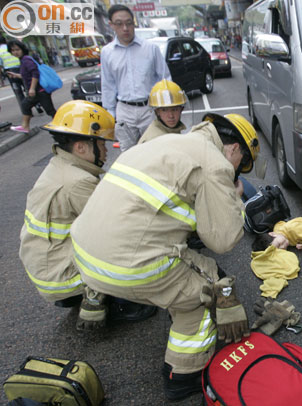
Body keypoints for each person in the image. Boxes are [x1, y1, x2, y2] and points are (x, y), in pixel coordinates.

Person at [70, 113, 260, 401]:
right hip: (126, 265)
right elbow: (223, 239)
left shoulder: (163, 143)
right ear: (234, 149)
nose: (236, 172)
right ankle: (183, 375)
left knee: (195, 266)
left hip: (84, 255)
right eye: (240, 165)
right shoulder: (215, 162)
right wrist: (234, 197)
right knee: (206, 291)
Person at [18, 100, 155, 330]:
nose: (104, 149)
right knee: (131, 245)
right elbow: (117, 228)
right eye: (100, 143)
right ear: (81, 147)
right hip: (60, 278)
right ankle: (117, 302)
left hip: (45, 270)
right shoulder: (79, 182)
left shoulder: (59, 166)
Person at [101, 4, 171, 151]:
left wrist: (165, 108)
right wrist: (110, 114)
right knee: (128, 153)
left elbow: (165, 79)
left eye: (128, 23)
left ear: (134, 23)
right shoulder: (107, 52)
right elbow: (108, 84)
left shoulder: (151, 49)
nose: (125, 28)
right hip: (124, 111)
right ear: (111, 25)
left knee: (155, 149)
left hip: (149, 109)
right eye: (119, 24)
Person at [6, 40, 56, 134]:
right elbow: (27, 76)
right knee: (27, 105)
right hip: (38, 91)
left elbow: (35, 74)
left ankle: (63, 124)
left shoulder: (26, 60)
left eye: (17, 49)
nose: (15, 52)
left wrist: (32, 88)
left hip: (40, 91)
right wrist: (16, 75)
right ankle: (25, 126)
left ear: (22, 49)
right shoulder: (23, 60)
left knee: (49, 110)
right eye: (12, 50)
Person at [137, 79, 186, 145]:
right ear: (157, 112)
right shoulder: (154, 140)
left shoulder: (170, 130)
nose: (171, 116)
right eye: (164, 110)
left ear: (181, 109)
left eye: (174, 109)